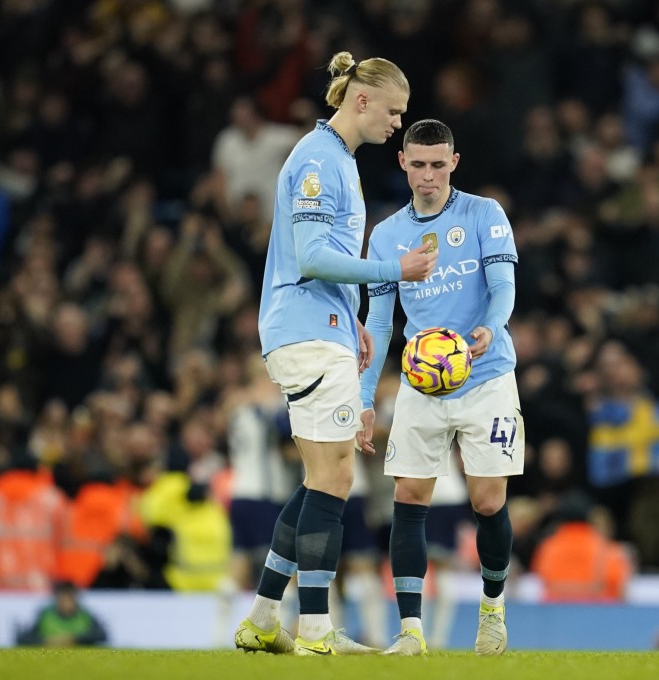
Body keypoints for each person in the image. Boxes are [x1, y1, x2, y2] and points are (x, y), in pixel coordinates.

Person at [233, 51, 436, 657]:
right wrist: (391, 270)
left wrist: (352, 320)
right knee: (336, 478)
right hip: (303, 329)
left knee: (319, 481)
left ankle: (266, 618)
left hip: (320, 327)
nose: (398, 124)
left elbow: (320, 261)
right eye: (395, 112)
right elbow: (313, 256)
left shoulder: (336, 159)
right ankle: (316, 631)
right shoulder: (320, 159)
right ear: (364, 100)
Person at [359, 119, 523, 656]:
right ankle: (410, 632)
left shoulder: (484, 214)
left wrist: (490, 328)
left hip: (487, 375)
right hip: (421, 382)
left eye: (438, 164)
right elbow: (380, 324)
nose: (428, 175)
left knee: (487, 499)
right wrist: (364, 399)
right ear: (402, 163)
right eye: (418, 164)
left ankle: (493, 611)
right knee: (409, 496)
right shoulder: (386, 235)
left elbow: (503, 287)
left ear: (454, 162)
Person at [15, 581, 108, 647]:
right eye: (64, 598)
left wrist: (74, 639)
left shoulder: (85, 615)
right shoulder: (46, 615)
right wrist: (47, 641)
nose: (67, 602)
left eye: (70, 598)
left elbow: (101, 635)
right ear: (57, 599)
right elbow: (24, 638)